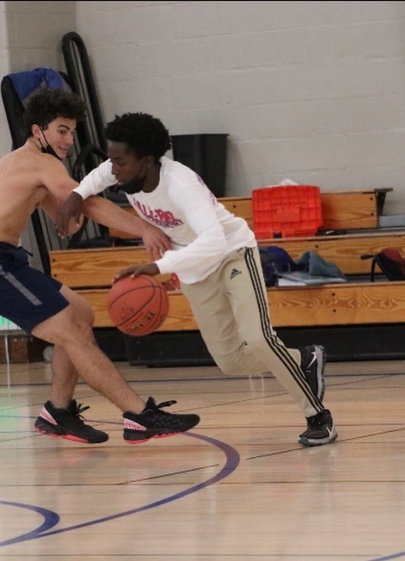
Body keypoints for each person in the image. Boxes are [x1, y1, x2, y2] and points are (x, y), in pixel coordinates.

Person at [57, 112, 338, 447]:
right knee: (231, 361)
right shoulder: (123, 169)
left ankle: (317, 416)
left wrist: (160, 267)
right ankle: (303, 359)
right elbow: (98, 176)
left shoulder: (181, 185)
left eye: (120, 162)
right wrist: (75, 196)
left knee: (258, 338)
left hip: (232, 254)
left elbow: (214, 241)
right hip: (195, 268)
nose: (113, 169)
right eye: (111, 160)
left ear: (146, 162)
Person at [0, 90, 200, 445]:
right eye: (61, 130)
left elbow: (68, 219)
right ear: (37, 131)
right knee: (72, 331)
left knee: (81, 313)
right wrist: (144, 228)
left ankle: (57, 412)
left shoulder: (25, 165)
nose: (69, 140)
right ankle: (139, 415)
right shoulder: (39, 162)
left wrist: (71, 215)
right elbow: (88, 204)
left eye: (72, 132)